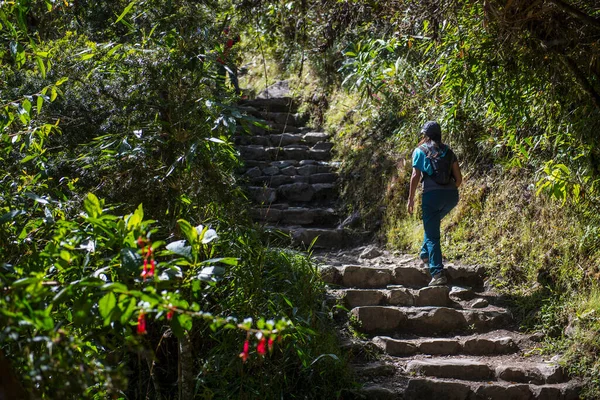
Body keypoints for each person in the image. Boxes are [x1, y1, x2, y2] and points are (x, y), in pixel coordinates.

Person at [406, 121, 462, 286]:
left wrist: (410, 199)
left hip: (431, 196)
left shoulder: (420, 151)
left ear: (425, 135)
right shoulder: (449, 151)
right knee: (432, 225)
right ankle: (425, 253)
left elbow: (415, 176)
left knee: (432, 235)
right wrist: (447, 190)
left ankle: (437, 273)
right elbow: (459, 179)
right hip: (452, 196)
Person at [216, 26, 241, 95]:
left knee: (233, 77)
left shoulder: (233, 34)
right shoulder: (222, 33)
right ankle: (219, 95)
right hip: (222, 59)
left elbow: (236, 45)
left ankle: (236, 93)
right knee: (221, 79)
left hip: (228, 59)